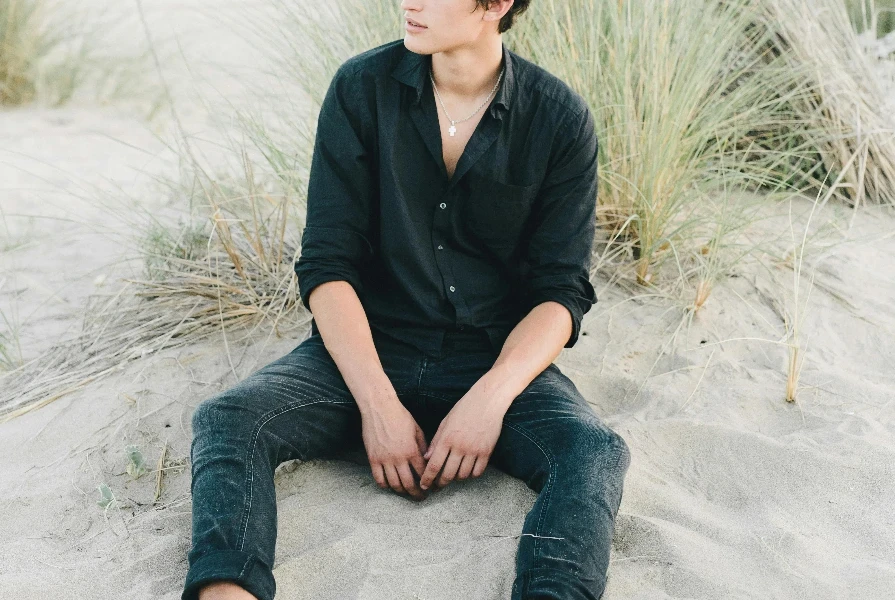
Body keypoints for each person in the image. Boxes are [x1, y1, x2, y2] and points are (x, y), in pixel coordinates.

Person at [181, 1, 631, 599]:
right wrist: (378, 405)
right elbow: (327, 264)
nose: (407, 1)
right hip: (367, 348)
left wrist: (489, 401)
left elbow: (561, 293)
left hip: (490, 359)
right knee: (228, 420)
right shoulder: (360, 89)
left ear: (495, 4)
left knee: (594, 452)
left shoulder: (557, 117)